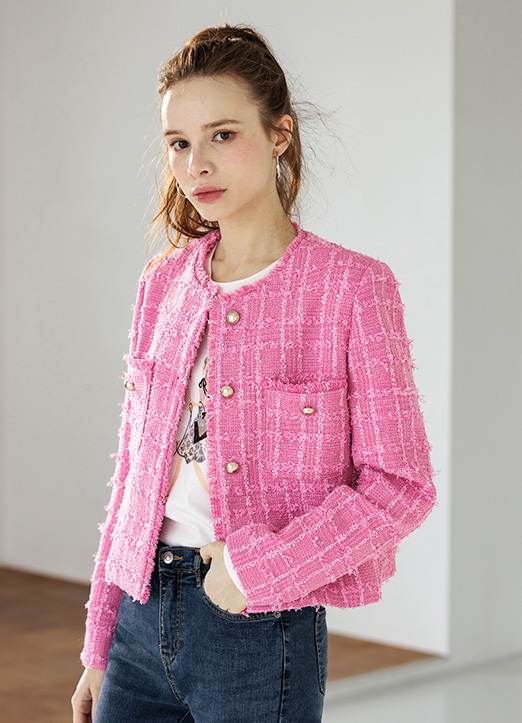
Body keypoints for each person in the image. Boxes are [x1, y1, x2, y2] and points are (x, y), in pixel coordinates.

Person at [71, 22, 437, 723]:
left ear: (279, 135)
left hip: (259, 626)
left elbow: (401, 486)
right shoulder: (161, 284)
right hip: (137, 622)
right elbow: (132, 480)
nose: (196, 165)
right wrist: (98, 644)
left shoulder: (351, 288)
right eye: (179, 142)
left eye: (222, 134)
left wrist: (255, 568)